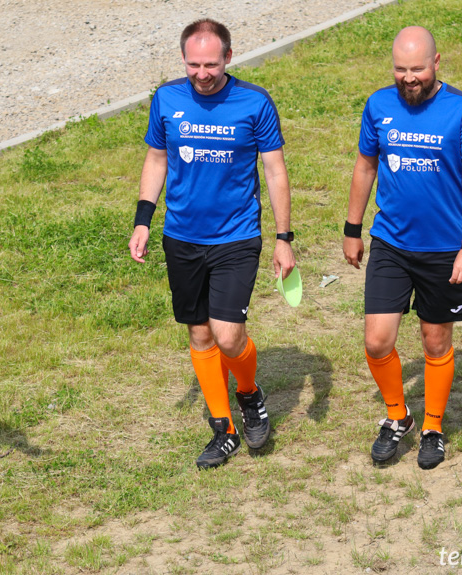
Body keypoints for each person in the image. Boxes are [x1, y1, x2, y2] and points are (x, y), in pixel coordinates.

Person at [129, 19, 296, 469]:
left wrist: (284, 238)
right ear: (184, 60)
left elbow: (275, 171)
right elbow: (157, 157)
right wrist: (143, 220)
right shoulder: (167, 98)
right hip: (181, 237)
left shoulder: (254, 102)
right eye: (193, 64)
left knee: (227, 335)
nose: (202, 73)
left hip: (236, 237)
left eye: (211, 64)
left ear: (228, 57)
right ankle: (223, 430)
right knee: (200, 333)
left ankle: (248, 392)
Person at [343, 26, 462, 470]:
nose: (409, 78)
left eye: (418, 69)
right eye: (401, 69)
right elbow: (365, 165)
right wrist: (353, 227)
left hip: (444, 249)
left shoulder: (461, 111)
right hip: (390, 241)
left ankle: (432, 427)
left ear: (436, 63)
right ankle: (397, 417)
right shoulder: (378, 105)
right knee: (376, 341)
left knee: (434, 340)